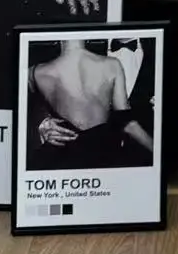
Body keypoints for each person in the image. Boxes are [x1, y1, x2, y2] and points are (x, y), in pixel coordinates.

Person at [28, 39, 153, 169]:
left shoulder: (34, 72)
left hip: (61, 157)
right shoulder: (112, 64)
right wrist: (42, 123)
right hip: (103, 156)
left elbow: (15, 106)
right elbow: (126, 121)